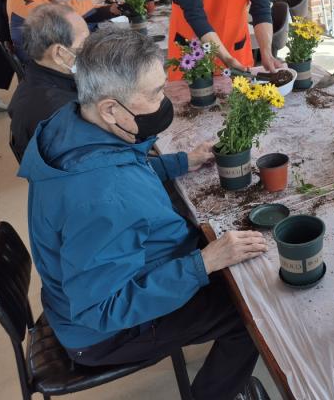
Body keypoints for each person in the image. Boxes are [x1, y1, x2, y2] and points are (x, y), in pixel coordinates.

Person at [18, 29, 269, 399]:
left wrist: (181, 162)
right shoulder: (102, 199)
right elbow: (102, 310)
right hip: (105, 334)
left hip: (101, 282)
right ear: (110, 108)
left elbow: (118, 167)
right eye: (154, 94)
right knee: (251, 315)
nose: (163, 100)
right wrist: (202, 263)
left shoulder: (75, 125)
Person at [8, 4, 88, 160]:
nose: (89, 49)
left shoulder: (36, 73)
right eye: (84, 44)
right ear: (59, 53)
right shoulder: (62, 112)